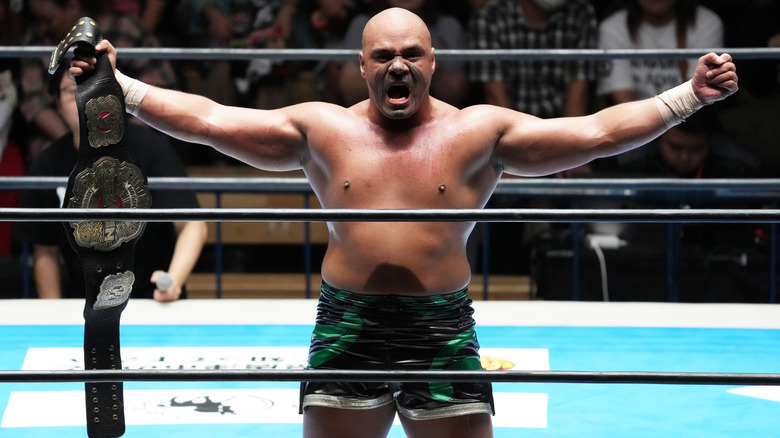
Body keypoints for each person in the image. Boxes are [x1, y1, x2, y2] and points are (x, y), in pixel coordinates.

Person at [70, 7, 738, 437]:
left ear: (432, 61)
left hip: (439, 326)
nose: (397, 64)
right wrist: (118, 88)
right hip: (347, 321)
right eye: (383, 54)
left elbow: (592, 131)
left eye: (411, 53)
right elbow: (213, 121)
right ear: (361, 65)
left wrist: (687, 95)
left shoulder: (480, 131)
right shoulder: (320, 129)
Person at [14, 63, 207, 302]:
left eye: (92, 88)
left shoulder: (150, 148)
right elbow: (45, 251)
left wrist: (173, 282)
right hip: (85, 309)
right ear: (56, 104)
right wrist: (54, 316)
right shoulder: (47, 163)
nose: (83, 98)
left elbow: (192, 225)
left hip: (152, 303)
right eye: (70, 91)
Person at [468, 0, 598, 118]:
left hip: (562, 127)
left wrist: (567, 140)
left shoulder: (581, 14)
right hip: (510, 130)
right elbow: (496, 99)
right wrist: (517, 141)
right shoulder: (489, 16)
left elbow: (578, 98)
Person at [597, 0, 724, 105]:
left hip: (689, 124)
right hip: (635, 124)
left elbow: (699, 94)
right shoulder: (613, 27)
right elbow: (623, 102)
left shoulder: (706, 23)